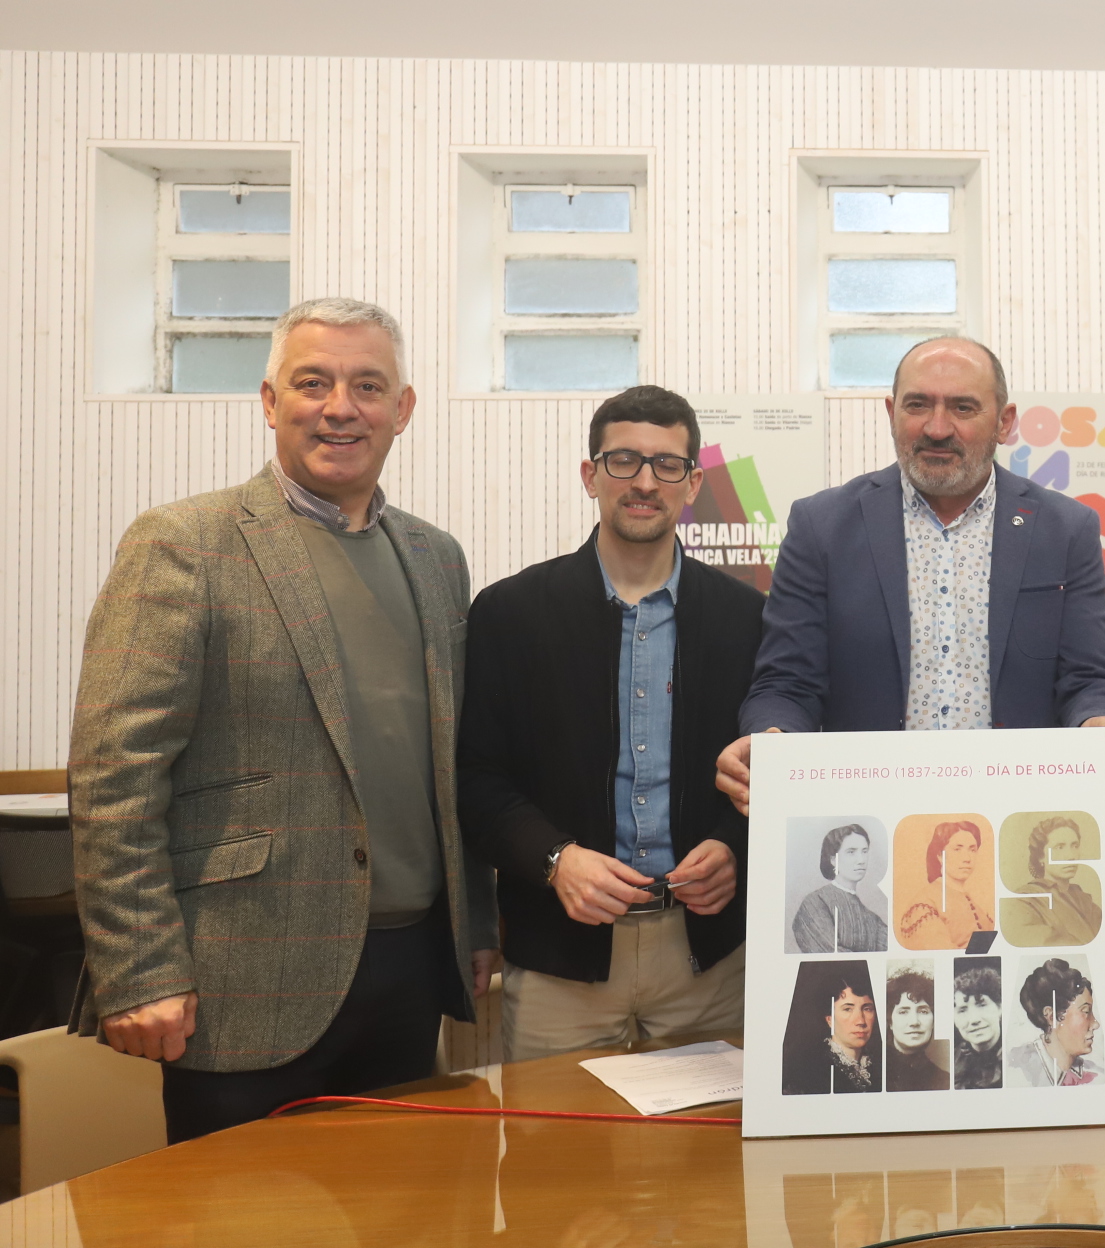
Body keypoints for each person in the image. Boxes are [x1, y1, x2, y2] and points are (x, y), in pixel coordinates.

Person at [68, 298, 497, 1141]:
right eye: (313, 383)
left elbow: (453, 763)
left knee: (405, 1205)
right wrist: (140, 969)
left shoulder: (437, 558)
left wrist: (474, 924)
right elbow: (115, 775)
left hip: (411, 971)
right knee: (238, 1210)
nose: (341, 407)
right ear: (270, 402)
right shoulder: (184, 543)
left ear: (403, 409)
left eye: (368, 385)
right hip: (243, 977)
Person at [715, 337, 1105, 811]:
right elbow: (787, 683)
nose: (937, 428)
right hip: (869, 813)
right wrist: (773, 738)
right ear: (891, 413)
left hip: (1019, 812)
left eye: (963, 407)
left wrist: (1100, 724)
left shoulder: (1065, 528)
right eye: (918, 405)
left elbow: (1090, 676)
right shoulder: (820, 527)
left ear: (1004, 422)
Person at [457, 386, 758, 1060]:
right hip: (560, 960)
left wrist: (734, 845)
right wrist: (555, 859)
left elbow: (769, 769)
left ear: (694, 484)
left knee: (708, 1133)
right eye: (623, 461)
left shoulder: (748, 619)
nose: (645, 482)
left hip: (708, 960)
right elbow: (475, 780)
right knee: (555, 1133)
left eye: (667, 465)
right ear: (590, 475)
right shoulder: (509, 614)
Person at [1000, 815, 1103, 948]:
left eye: (1075, 846)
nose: (1071, 856)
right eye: (1059, 847)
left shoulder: (1084, 901)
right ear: (1040, 857)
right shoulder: (1025, 899)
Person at [783, 959, 882, 1094]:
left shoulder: (881, 1065)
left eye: (867, 1009)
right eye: (847, 1009)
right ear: (829, 1019)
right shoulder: (809, 1071)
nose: (860, 1021)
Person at [1005, 957, 1103, 1087]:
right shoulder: (1016, 1073)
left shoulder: (1097, 1075)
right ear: (1051, 1016)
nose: (1095, 1024)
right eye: (1085, 1011)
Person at [792, 824, 890, 952]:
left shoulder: (872, 919)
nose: (861, 860)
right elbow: (830, 953)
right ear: (833, 860)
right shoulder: (815, 902)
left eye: (864, 851)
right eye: (851, 852)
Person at [899, 820, 994, 949]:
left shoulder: (977, 905)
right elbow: (940, 954)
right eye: (957, 849)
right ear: (940, 856)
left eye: (972, 850)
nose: (967, 858)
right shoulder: (925, 902)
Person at [884, 967, 950, 1091]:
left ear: (934, 1021)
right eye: (903, 1012)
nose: (914, 1022)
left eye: (923, 1011)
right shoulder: (874, 1072)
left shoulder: (945, 1081)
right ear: (890, 1022)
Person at [952, 961, 1005, 1089]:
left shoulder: (1020, 1057)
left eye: (982, 1005)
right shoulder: (952, 1062)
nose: (974, 1019)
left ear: (999, 1008)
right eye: (962, 1010)